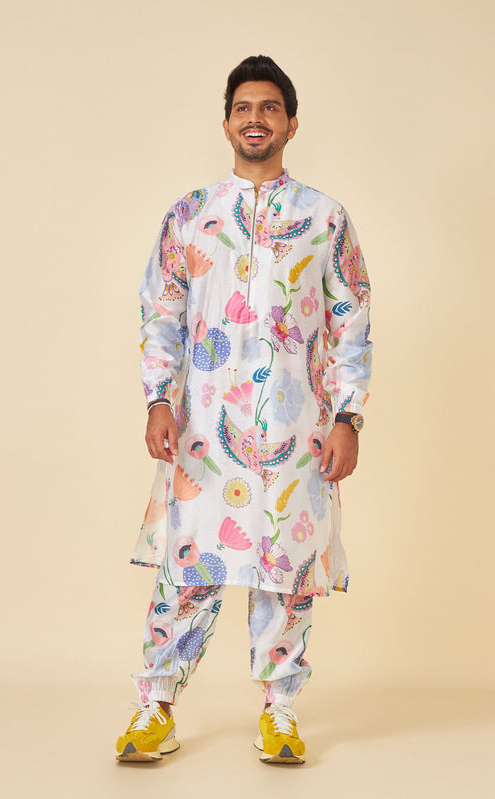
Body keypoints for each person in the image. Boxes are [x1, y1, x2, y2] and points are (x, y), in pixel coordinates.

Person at [116, 55, 372, 765]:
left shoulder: (325, 218)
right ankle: (155, 708)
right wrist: (158, 399)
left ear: (291, 123)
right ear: (226, 122)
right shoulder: (191, 214)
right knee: (187, 570)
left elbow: (351, 321)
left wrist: (348, 417)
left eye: (269, 108)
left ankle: (280, 712)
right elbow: (161, 313)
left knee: (286, 574)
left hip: (296, 432)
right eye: (243, 108)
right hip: (203, 430)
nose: (255, 119)